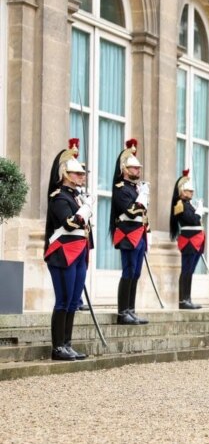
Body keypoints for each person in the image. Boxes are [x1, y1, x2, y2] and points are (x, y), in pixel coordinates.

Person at [44, 138, 93, 361]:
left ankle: (67, 344)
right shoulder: (59, 197)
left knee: (74, 300)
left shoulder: (76, 197)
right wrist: (85, 209)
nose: (82, 176)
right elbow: (69, 223)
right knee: (63, 299)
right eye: (77, 173)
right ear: (65, 174)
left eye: (82, 173)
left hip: (79, 252)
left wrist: (85, 206)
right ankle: (57, 348)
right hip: (62, 252)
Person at [110, 139, 149, 326]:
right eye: (134, 168)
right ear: (125, 169)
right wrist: (142, 198)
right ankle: (122, 312)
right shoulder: (121, 188)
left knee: (136, 273)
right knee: (128, 272)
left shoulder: (135, 188)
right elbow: (131, 211)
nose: (138, 171)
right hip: (127, 234)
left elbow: (143, 213)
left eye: (138, 168)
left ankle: (131, 310)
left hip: (139, 234)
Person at [170, 169, 206, 310]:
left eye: (192, 191)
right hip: (189, 241)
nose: (192, 193)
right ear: (182, 191)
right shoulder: (180, 204)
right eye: (189, 191)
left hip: (196, 240)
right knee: (186, 270)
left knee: (190, 270)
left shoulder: (189, 205)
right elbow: (191, 220)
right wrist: (199, 212)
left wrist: (197, 210)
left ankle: (188, 298)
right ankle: (183, 300)